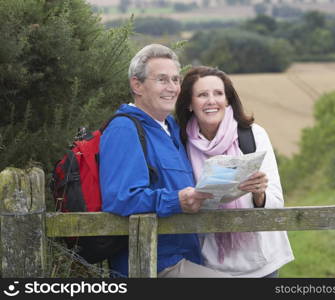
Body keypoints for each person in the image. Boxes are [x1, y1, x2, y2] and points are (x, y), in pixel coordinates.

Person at [99, 44, 231, 277]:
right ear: (136, 85)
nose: (172, 88)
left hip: (187, 258)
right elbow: (121, 198)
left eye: (175, 80)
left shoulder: (173, 128)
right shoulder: (124, 128)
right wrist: (176, 201)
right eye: (162, 80)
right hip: (152, 264)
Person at [175, 66, 294, 277]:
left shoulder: (253, 135)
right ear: (190, 104)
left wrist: (259, 194)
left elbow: (276, 201)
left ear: (228, 100)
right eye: (202, 95)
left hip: (261, 263)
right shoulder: (180, 143)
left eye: (218, 94)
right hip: (210, 264)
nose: (212, 100)